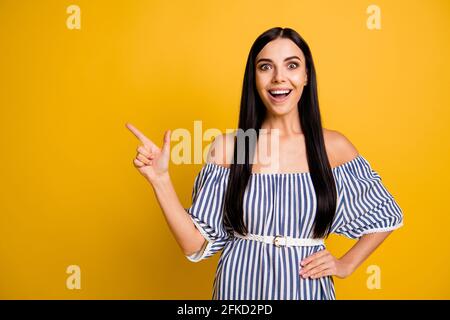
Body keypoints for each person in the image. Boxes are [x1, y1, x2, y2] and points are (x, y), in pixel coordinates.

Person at [126, 27, 404, 300]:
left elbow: (385, 214)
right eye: (266, 67)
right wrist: (160, 179)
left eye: (292, 65)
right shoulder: (233, 148)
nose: (279, 78)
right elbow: (194, 244)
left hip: (305, 290)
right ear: (254, 78)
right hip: (238, 290)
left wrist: (347, 264)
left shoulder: (332, 147)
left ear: (306, 76)